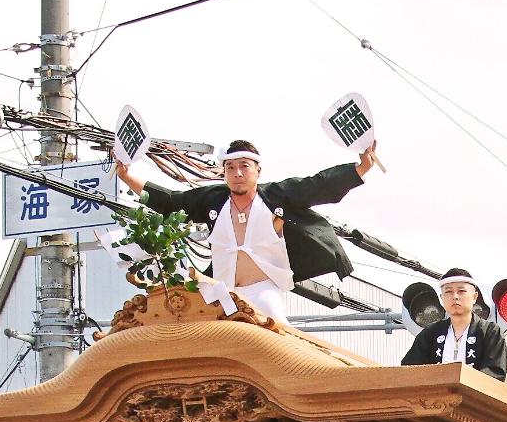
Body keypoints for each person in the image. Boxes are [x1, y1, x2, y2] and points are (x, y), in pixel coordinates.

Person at [117, 137, 381, 324]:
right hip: (219, 291)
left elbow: (318, 185)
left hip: (263, 290)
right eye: (230, 167)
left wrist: (360, 168)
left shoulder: (276, 197)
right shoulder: (213, 200)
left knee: (274, 333)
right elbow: (171, 201)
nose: (237, 173)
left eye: (244, 166)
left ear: (257, 170)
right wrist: (128, 177)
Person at [400, 269, 507, 380]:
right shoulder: (430, 333)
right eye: (448, 292)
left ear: (474, 297)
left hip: (473, 396)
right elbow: (409, 369)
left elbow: (495, 372)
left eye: (461, 291)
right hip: (437, 395)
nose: (455, 296)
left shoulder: (490, 332)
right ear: (442, 298)